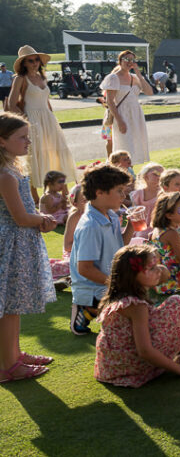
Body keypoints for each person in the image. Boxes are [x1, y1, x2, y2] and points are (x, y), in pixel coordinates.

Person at [93, 244, 180, 388]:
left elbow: (165, 273)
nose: (158, 271)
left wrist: (153, 262)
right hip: (132, 364)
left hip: (112, 364)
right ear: (132, 275)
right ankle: (169, 359)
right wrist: (179, 369)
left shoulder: (121, 295)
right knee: (177, 303)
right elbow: (145, 351)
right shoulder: (136, 306)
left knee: (167, 309)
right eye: (151, 268)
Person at [0, 113, 58, 382]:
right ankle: (8, 366)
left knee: (14, 305)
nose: (28, 141)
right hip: (11, 244)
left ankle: (14, 355)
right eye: (22, 137)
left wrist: (39, 219)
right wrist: (45, 220)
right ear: (2, 141)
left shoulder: (12, 170)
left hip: (19, 241)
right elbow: (21, 218)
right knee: (9, 306)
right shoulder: (5, 176)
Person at [69, 164, 134, 335]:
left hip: (109, 281)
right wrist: (116, 284)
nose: (124, 195)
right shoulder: (91, 226)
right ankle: (87, 308)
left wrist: (131, 227)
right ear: (99, 193)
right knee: (133, 318)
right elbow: (85, 269)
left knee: (139, 305)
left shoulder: (111, 214)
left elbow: (119, 247)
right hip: (93, 288)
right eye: (119, 191)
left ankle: (100, 308)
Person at [8, 46, 78, 195]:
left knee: (57, 152)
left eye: (37, 59)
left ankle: (64, 194)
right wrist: (25, 122)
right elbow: (11, 104)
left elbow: (46, 101)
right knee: (34, 154)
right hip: (31, 119)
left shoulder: (42, 77)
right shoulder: (20, 79)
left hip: (48, 119)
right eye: (30, 60)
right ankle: (34, 197)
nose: (35, 63)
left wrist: (52, 117)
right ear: (24, 63)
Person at [100, 49, 154, 165]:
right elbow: (110, 101)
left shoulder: (135, 78)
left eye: (132, 60)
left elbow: (149, 92)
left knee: (134, 144)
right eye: (126, 59)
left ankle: (130, 170)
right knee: (123, 144)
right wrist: (120, 121)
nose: (130, 62)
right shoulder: (113, 78)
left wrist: (139, 74)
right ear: (120, 61)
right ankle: (117, 168)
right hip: (121, 114)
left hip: (135, 115)